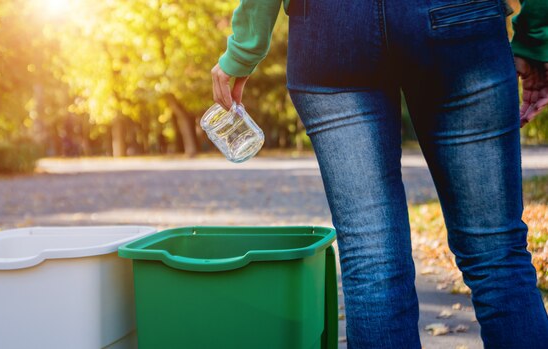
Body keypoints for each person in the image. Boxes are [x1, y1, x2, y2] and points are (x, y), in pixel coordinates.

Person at [211, 0, 548, 348]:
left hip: (330, 27)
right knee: (496, 254)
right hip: (456, 18)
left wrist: (245, 48)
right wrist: (536, 35)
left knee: (373, 263)